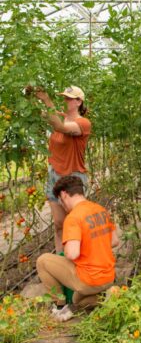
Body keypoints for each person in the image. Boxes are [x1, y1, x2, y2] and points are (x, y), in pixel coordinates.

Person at [36, 175, 119, 322]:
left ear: (64, 195)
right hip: (108, 276)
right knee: (77, 300)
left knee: (43, 261)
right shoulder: (100, 210)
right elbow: (114, 241)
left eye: (60, 201)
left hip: (89, 279)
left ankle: (59, 307)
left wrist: (69, 248)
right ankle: (107, 296)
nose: (62, 205)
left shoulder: (74, 217)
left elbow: (72, 254)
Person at [36, 85, 91, 252]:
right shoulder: (60, 117)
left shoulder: (83, 123)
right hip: (54, 175)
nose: (65, 100)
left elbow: (60, 128)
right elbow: (49, 119)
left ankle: (81, 260)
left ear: (79, 101)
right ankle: (62, 258)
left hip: (72, 177)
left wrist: (46, 100)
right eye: (65, 97)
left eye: (69, 98)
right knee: (59, 224)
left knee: (75, 224)